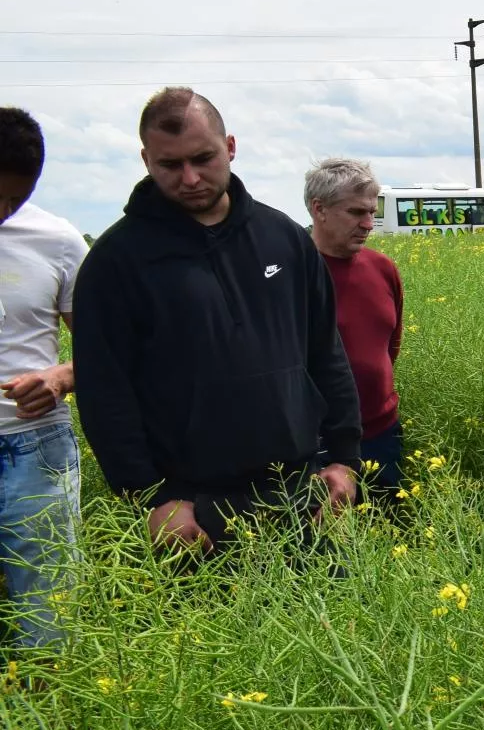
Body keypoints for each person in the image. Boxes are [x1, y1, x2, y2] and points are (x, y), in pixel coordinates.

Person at [73, 87, 360, 554]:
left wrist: (345, 458)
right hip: (191, 512)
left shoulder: (285, 238)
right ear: (146, 160)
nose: (189, 178)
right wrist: (151, 497)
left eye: (203, 158)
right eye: (170, 165)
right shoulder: (116, 261)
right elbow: (105, 392)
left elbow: (326, 352)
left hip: (303, 491)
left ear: (229, 147)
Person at [0, 109, 87, 650]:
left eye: (16, 199)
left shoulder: (58, 240)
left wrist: (61, 375)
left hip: (34, 448)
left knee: (48, 626)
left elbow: (107, 351)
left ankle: (44, 707)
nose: (2, 211)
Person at [305, 158, 405, 495]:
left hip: (382, 433)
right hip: (316, 443)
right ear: (319, 209)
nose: (368, 224)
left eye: (372, 212)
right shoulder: (291, 272)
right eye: (356, 213)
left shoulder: (382, 268)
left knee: (388, 522)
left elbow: (390, 344)